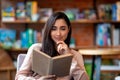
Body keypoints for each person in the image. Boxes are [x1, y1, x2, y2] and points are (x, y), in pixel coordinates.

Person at [15, 11, 89, 80]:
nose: (58, 33)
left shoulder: (76, 55)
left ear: (68, 29)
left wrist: (69, 56)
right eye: (54, 29)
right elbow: (19, 77)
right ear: (48, 30)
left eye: (63, 29)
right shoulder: (36, 49)